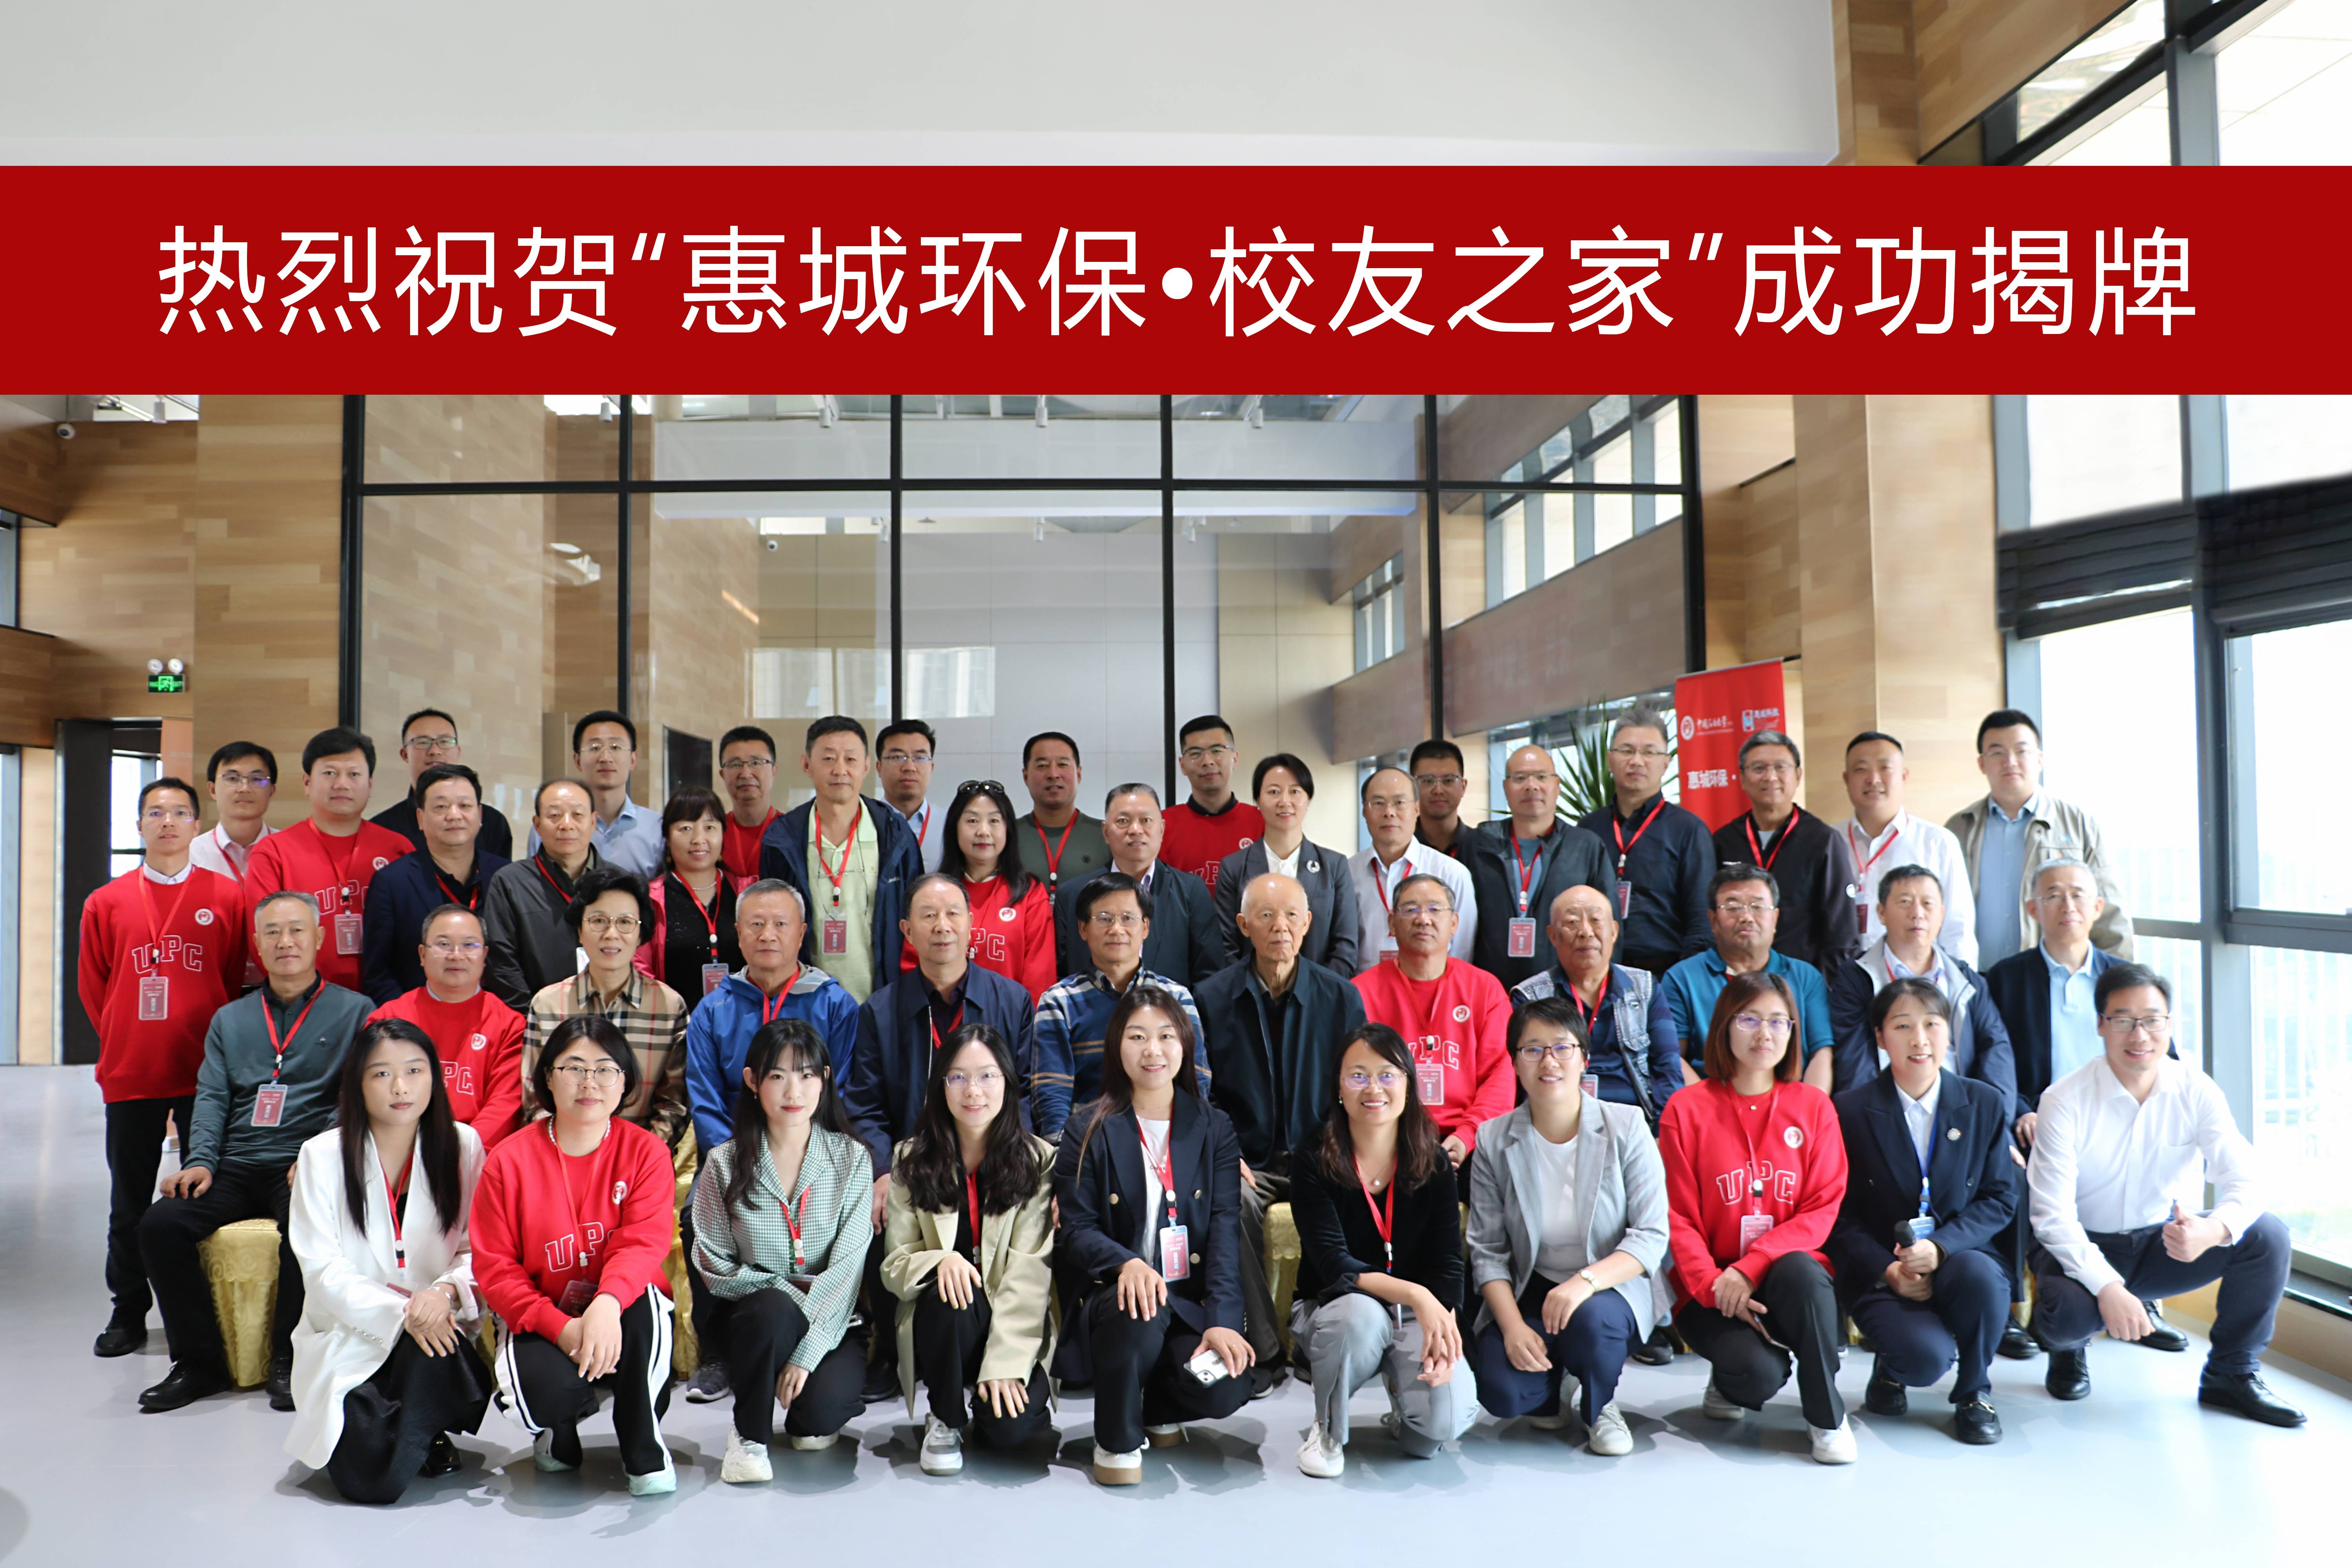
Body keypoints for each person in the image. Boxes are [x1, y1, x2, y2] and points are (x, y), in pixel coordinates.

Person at [2025, 964, 2302, 1426]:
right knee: (2068, 1315)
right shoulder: (2064, 1099)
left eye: (2153, 1020)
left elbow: (2248, 1177)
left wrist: (2214, 1229)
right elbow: (2052, 1216)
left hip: (2160, 1243)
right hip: (2083, 1245)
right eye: (2123, 1020)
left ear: (2170, 1024)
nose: (2140, 1035)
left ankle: (2231, 1373)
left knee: (2267, 1234)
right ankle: (2069, 1349)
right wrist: (2109, 1287)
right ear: (2101, 1025)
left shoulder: (2195, 1088)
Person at [135, 891, 374, 1414]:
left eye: (297, 930)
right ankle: (200, 1363)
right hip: (236, 1163)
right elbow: (212, 1096)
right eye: (273, 932)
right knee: (160, 1225)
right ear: (257, 946)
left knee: (306, 1228)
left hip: (303, 1165)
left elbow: (354, 1099)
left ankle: (288, 1358)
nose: (286, 941)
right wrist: (200, 1161)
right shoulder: (231, 1019)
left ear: (319, 938)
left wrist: (317, 1158)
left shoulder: (357, 1012)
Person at [1051, 987, 1255, 1485]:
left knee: (1227, 1386)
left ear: (1185, 1044)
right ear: (1116, 1045)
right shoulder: (1087, 1127)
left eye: (1166, 1036)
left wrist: (1223, 1321)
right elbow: (1076, 1231)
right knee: (1138, 1305)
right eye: (1138, 1037)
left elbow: (1225, 1232)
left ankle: (1156, 1403)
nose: (1153, 1050)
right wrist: (1127, 1263)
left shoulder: (1214, 1128)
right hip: (1114, 1299)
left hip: (1185, 1303)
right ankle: (1116, 1439)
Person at [284, 1019, 492, 1502]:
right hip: (352, 1331)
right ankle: (411, 1431)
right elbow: (322, 1268)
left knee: (434, 1350)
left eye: (415, 1071)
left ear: (434, 1077)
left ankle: (427, 1429)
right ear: (357, 1083)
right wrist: (404, 1312)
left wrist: (442, 1293)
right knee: (366, 1477)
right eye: (381, 1074)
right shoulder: (322, 1155)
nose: (401, 1087)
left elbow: (478, 1249)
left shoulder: (462, 1145)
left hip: (438, 1325)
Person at [471, 1016, 680, 1494]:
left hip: (622, 1306)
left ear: (625, 1081)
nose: (590, 1083)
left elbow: (642, 1243)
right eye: (574, 1068)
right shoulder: (508, 1160)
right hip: (545, 1310)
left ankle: (644, 1446)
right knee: (542, 1397)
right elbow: (496, 1269)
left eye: (606, 1069)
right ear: (548, 1077)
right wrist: (561, 1328)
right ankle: (557, 1430)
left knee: (646, 1303)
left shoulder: (646, 1152)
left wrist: (606, 1304)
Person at [78, 777, 248, 1359]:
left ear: (197, 825)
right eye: (156, 813)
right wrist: (126, 1034)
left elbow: (231, 978)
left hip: (205, 1074)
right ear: (139, 825)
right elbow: (95, 988)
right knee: (128, 1201)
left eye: (179, 812)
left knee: (203, 1197)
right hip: (132, 1072)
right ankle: (127, 1310)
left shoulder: (227, 896)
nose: (168, 822)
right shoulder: (106, 901)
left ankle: (202, 1313)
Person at [1657, 972, 1856, 1465]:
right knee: (1757, 1375)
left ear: (1792, 1031)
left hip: (1785, 1275)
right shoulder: (1687, 1108)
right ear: (1724, 1025)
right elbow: (1677, 1216)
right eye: (1749, 1019)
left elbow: (1822, 1206)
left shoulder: (1813, 1106)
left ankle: (1827, 1418)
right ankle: (1728, 1380)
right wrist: (1715, 1285)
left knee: (1803, 1271)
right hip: (1709, 1285)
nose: (1764, 1033)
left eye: (1778, 1021)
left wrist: (1752, 1266)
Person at [677, 878, 860, 1405]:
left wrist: (801, 1157)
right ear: (738, 933)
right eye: (756, 924)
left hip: (815, 1157)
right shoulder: (713, 1009)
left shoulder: (834, 1003)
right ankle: (719, 1352)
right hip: (735, 1155)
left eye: (781, 924)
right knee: (695, 1217)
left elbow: (840, 1091)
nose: (768, 935)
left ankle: (828, 1331)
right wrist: (742, 1162)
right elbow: (705, 1098)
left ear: (802, 933)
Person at [1467, 998, 1669, 1457]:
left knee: (1593, 1325)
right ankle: (1558, 1381)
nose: (1549, 1061)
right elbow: (1488, 1250)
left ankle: (1601, 1405)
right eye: (1532, 1049)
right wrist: (1512, 1326)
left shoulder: (1626, 1125)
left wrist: (1585, 1282)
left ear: (1584, 1058)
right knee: (1505, 1393)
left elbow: (1651, 1235)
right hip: (1533, 1284)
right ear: (1514, 1061)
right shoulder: (1494, 1139)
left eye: (1562, 1047)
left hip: (1609, 1283)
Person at [1196, 873, 1368, 1390]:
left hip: (1323, 1154)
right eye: (1267, 916)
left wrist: (1341, 1148)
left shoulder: (1340, 997)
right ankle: (1266, 1351)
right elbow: (1200, 1093)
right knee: (1231, 1200)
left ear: (1308, 923)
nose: (1281, 927)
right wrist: (1225, 1152)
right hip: (1249, 1157)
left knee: (1349, 1197)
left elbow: (1357, 1084)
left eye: (1292, 915)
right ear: (1243, 924)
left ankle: (1322, 1337)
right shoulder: (1210, 998)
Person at [1829, 979, 2018, 1446]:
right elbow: (1838, 1216)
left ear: (1949, 1033)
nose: (1920, 1039)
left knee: (1979, 1276)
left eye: (1932, 1024)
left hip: (1962, 1255)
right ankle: (1891, 1367)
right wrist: (1888, 1270)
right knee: (1922, 1361)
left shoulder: (1983, 1102)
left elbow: (2000, 1197)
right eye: (1903, 1026)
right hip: (1883, 1267)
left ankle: (1975, 1392)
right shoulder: (1849, 1110)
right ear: (1879, 1036)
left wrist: (1941, 1247)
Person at [692, 1019, 876, 1480]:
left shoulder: (851, 1158)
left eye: (807, 1074)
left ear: (825, 1079)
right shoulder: (724, 1162)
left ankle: (806, 1401)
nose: (794, 1090)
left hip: (831, 1318)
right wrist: (784, 1291)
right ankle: (749, 1437)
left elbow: (848, 1270)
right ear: (753, 1081)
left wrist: (808, 1351)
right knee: (772, 1308)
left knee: (817, 1422)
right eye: (778, 1075)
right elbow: (713, 1264)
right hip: (755, 1319)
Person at [1292, 1022, 1477, 1475]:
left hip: (1412, 1313)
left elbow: (1448, 1261)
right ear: (1339, 1086)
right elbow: (1334, 1264)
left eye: (1388, 1075)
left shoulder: (1433, 1160)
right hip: (1337, 1306)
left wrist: (1444, 1323)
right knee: (1359, 1316)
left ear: (1409, 1085)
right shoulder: (1313, 1158)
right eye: (1358, 1076)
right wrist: (1416, 1294)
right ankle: (1327, 1427)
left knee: (1436, 1429)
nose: (1373, 1088)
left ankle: (1405, 1404)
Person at [880, 1024, 1058, 1474]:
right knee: (949, 1293)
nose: (973, 1091)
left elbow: (1030, 1272)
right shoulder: (911, 1160)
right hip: (948, 1323)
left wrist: (1004, 1363)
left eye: (987, 1076)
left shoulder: (1038, 1160)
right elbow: (895, 1265)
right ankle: (945, 1415)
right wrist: (941, 1260)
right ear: (941, 1086)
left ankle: (982, 1392)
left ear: (1007, 1083)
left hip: (1012, 1323)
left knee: (1012, 1431)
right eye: (958, 1077)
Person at [1983, 857, 2127, 1361]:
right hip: (2035, 1125)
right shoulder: (2005, 979)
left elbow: (2159, 1060)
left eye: (2077, 894)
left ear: (2097, 906)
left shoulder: (2123, 980)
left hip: (2113, 1124)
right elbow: (1993, 1062)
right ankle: (2012, 1313)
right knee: (2006, 1177)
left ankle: (2136, 1299)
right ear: (2033, 909)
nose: (2067, 905)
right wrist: (2021, 1110)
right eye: (2053, 895)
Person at [846, 874, 1040, 1216]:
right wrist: (882, 1170)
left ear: (971, 923)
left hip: (995, 1169)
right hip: (911, 1173)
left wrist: (1015, 1161)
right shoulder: (879, 1011)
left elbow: (1023, 1093)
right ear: (907, 931)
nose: (942, 926)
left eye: (953, 913)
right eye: (929, 915)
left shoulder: (1013, 1001)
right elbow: (865, 1106)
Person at [1351, 873, 1515, 1189]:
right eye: (1411, 910)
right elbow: (1353, 1080)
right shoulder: (1360, 993)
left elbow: (1501, 1074)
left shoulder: (1485, 990)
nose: (1423, 919)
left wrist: (1468, 1135)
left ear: (1454, 923)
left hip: (1470, 1140)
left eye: (1435, 910)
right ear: (1392, 923)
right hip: (1387, 1137)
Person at [519, 868, 691, 1150]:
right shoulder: (547, 1004)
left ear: (641, 934)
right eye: (599, 921)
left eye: (625, 922)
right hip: (560, 1157)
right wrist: (569, 1154)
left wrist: (636, 1158)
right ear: (580, 930)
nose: (611, 934)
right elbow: (535, 1100)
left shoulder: (669, 1007)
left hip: (640, 1162)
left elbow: (675, 1105)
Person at [757, 715, 924, 1004]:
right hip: (805, 1003)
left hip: (883, 1002)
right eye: (829, 759)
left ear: (867, 767)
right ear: (807, 765)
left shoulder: (895, 834)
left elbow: (917, 918)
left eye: (850, 759)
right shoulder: (782, 839)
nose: (840, 770)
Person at [1947, 709, 2132, 966]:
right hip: (1976, 978)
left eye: (2022, 751)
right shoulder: (1958, 828)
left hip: (2054, 977)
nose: (2010, 762)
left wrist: (2119, 982)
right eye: (1997, 753)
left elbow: (2110, 914)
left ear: (2040, 759)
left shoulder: (2080, 824)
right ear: (1982, 764)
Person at [1031, 872, 1208, 1141]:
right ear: (1083, 928)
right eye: (1104, 919)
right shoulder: (1059, 1002)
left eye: (1128, 918)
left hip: (1165, 1139)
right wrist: (1062, 1151)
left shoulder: (1177, 998)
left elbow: (1197, 1079)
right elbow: (1052, 1088)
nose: (1117, 929)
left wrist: (1189, 1143)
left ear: (1146, 927)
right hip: (1088, 1143)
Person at [1825, 865, 2016, 1111]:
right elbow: (1854, 1060)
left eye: (1928, 904)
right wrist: (1874, 1119)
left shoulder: (1967, 980)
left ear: (1942, 914)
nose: (1917, 914)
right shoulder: (1856, 978)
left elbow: (1996, 1051)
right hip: (1889, 1111)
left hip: (1962, 1111)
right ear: (1881, 913)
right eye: (1905, 902)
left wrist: (1993, 1120)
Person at [246, 727, 414, 996]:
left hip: (389, 1001)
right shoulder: (274, 853)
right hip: (305, 1002)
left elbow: (414, 935)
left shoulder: (398, 849)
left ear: (370, 784)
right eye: (329, 773)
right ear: (307, 782)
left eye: (354, 774)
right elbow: (265, 940)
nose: (341, 784)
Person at [1659, 865, 1835, 1091]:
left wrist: (1811, 1108)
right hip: (1711, 1101)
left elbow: (1822, 1052)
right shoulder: (1682, 978)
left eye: (1758, 907)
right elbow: (1673, 1056)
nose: (1746, 917)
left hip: (1791, 1103)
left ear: (1775, 918)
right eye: (1733, 907)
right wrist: (1706, 1107)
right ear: (1713, 920)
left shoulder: (1806, 977)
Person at [367, 905, 526, 1152]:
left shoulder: (510, 1024)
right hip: (400, 1151)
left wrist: (459, 1152)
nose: (456, 955)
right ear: (422, 955)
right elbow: (374, 1094)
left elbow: (505, 1105)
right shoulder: (388, 1019)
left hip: (476, 1154)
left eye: (469, 945)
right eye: (444, 945)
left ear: (485, 955)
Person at [1573, 708, 1712, 979]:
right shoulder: (1588, 830)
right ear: (1610, 760)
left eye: (1649, 752)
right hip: (1595, 975)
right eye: (1627, 751)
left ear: (1666, 763)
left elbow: (1701, 922)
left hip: (1666, 975)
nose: (1637, 761)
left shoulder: (1688, 830)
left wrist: (1681, 983)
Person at [1708, 730, 1860, 973]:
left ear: (1798, 775)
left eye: (1781, 767)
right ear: (1743, 778)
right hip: (1735, 979)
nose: (1770, 777)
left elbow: (1842, 932)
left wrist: (1820, 988)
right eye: (1759, 768)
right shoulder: (1724, 841)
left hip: (1800, 980)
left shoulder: (1823, 841)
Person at [1462, 743, 1609, 991]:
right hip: (1489, 991)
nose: (1531, 786)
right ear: (1506, 788)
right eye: (1520, 778)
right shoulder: (1478, 845)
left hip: (1566, 991)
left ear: (1557, 785)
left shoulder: (1585, 846)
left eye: (1541, 777)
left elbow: (1606, 923)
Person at [361, 762, 509, 1004]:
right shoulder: (392, 882)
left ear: (480, 815)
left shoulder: (506, 876)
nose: (454, 815)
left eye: (465, 806)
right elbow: (378, 974)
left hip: (493, 1017)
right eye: (441, 807)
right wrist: (409, 1022)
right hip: (416, 1018)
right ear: (421, 818)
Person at [1054, 783, 1225, 985]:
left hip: (1172, 1005)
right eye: (1123, 821)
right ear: (1106, 832)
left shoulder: (1191, 891)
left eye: (1146, 821)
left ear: (1162, 829)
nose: (1135, 830)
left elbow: (1210, 976)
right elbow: (1061, 975)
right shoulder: (1073, 895)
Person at [1831, 731, 1976, 965]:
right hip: (1842, 978)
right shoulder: (1830, 842)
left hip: (1916, 979)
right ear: (1847, 780)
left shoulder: (1938, 842)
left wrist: (1959, 982)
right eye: (1861, 769)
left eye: (1885, 768)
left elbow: (1957, 929)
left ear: (1904, 777)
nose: (1873, 779)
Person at [1212, 754, 1361, 977]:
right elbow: (1227, 946)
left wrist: (1317, 991)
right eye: (1274, 792)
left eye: (1295, 791)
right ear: (1258, 801)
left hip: (1321, 993)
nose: (1285, 802)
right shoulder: (1234, 868)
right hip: (1249, 992)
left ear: (1308, 799)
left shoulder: (1334, 866)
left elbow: (1345, 948)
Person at [481, 779, 604, 1011]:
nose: (566, 825)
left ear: (593, 822)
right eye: (554, 816)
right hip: (535, 1020)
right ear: (537, 825)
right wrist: (536, 1019)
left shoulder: (617, 883)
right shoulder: (510, 882)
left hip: (609, 1018)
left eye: (578, 815)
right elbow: (502, 964)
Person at [935, 779, 1058, 1000]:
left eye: (994, 821)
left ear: (1008, 829)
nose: (983, 831)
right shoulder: (934, 892)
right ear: (955, 828)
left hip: (1009, 1017)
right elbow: (915, 965)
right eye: (972, 821)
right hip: (944, 1019)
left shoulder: (1029, 893)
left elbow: (1040, 978)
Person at [1348, 765, 1476, 966]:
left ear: (1417, 808)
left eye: (1399, 803)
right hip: (1361, 985)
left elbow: (1462, 951)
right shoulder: (1347, 873)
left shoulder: (1452, 873)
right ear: (1365, 810)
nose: (1389, 813)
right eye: (1379, 803)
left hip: (1433, 986)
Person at [526, 710, 663, 880]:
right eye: (595, 748)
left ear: (633, 760)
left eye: (616, 747)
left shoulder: (657, 829)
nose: (606, 758)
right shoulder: (550, 826)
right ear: (577, 761)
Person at [639, 786, 742, 1004]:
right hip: (675, 1019)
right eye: (686, 828)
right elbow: (641, 970)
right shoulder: (649, 900)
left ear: (723, 834)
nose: (698, 839)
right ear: (667, 837)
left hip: (743, 1019)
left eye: (710, 827)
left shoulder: (746, 893)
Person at [368, 708, 516, 860]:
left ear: (458, 751)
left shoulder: (493, 823)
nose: (434, 751)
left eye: (445, 742)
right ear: (405, 754)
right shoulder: (381, 829)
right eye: (423, 742)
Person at [1158, 713, 1265, 893]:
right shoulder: (1161, 825)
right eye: (1195, 753)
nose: (1207, 761)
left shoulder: (1263, 822)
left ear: (1235, 758)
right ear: (1182, 765)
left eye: (1217, 750)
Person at [1011, 731, 1110, 894]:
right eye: (1042, 766)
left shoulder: (1107, 836)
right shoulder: (1007, 835)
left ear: (1079, 774)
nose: (1053, 774)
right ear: (1026, 776)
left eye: (1063, 765)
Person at [188, 740, 276, 895]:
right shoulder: (190, 854)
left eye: (256, 779)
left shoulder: (287, 852)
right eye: (233, 779)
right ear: (213, 790)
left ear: (272, 791)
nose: (245, 788)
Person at [875, 719, 946, 872]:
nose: (909, 767)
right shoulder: (864, 822)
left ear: (932, 767)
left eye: (920, 758)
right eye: (897, 757)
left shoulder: (951, 824)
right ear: (879, 768)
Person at [718, 724, 783, 885]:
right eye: (735, 765)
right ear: (722, 774)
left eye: (756, 763)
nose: (746, 774)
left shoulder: (792, 832)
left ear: (774, 771)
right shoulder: (714, 833)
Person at [1408, 739, 1475, 862]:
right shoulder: (1401, 849)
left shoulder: (1484, 850)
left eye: (1448, 780)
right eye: (1428, 781)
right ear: (1411, 787)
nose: (1438, 790)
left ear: (1463, 787)